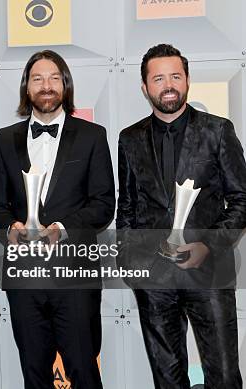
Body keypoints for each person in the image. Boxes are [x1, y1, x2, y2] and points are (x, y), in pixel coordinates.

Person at [117, 43, 246, 388]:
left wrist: (208, 245)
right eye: (158, 78)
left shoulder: (217, 131)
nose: (168, 84)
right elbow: (127, 206)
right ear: (145, 87)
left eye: (175, 76)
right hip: (154, 279)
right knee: (167, 379)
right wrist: (131, 265)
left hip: (209, 273)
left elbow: (241, 199)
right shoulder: (129, 139)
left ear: (188, 81)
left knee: (223, 375)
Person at [0, 50, 115, 389]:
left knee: (84, 372)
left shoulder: (92, 136)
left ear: (65, 85)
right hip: (24, 280)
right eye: (37, 79)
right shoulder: (3, 139)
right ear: (26, 88)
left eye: (54, 78)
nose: (46, 86)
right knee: (34, 374)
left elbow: (104, 204)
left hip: (75, 278)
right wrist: (9, 230)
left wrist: (61, 229)